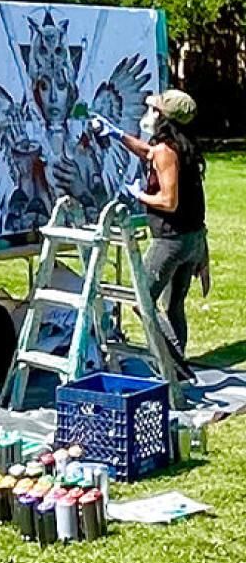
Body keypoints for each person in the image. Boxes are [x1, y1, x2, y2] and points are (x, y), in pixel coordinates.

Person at [92, 89, 208, 368]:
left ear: (164, 118)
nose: (148, 114)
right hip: (192, 238)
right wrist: (117, 134)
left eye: (154, 110)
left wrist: (139, 195)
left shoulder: (166, 151)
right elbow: (148, 153)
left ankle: (175, 363)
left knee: (141, 300)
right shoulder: (181, 145)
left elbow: (168, 201)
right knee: (173, 305)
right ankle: (177, 365)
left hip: (171, 241)